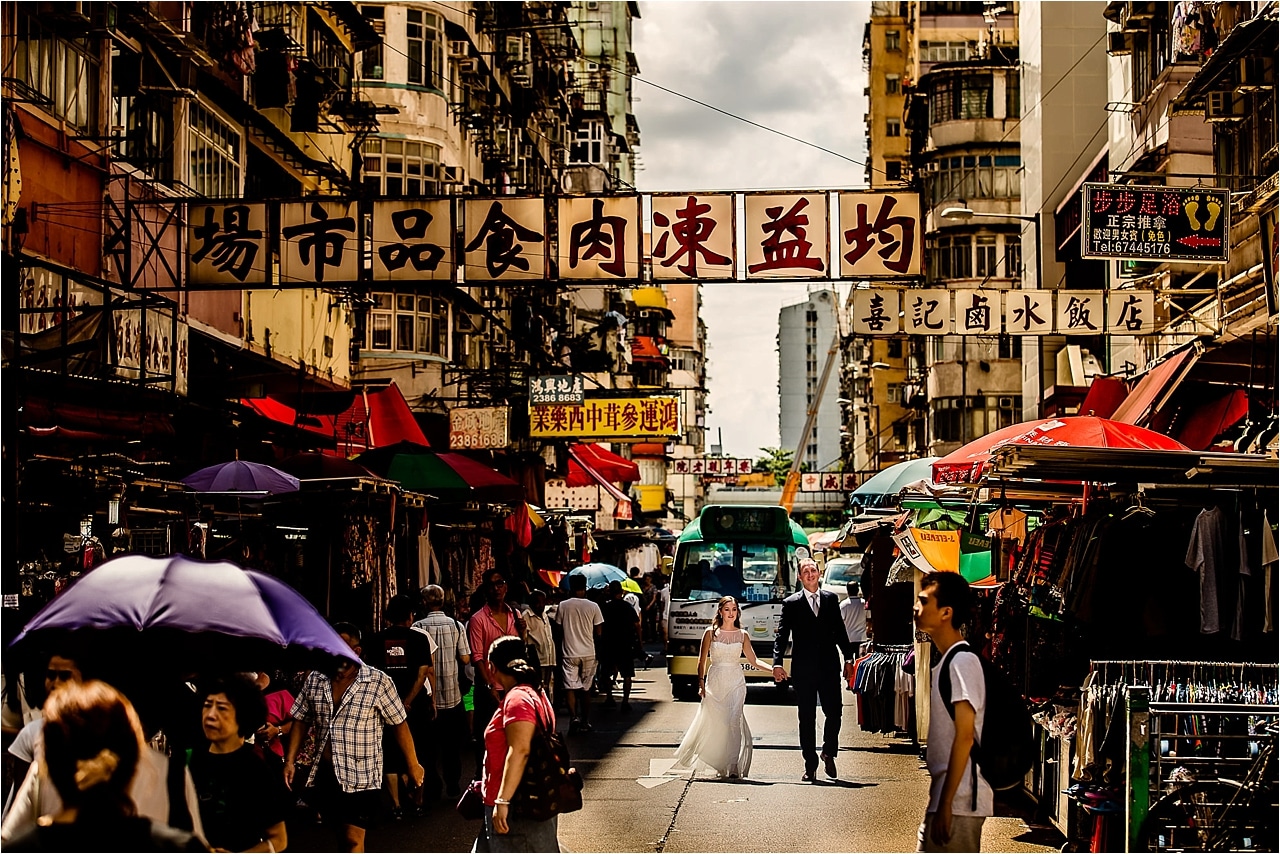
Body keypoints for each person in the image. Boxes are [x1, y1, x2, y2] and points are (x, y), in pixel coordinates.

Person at [1, 657, 205, 845]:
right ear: (131, 761)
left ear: (51, 761)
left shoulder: (23, 845)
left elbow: (7, 835)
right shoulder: (176, 839)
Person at [284, 623, 424, 854]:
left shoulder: (378, 681)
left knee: (353, 840)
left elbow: (399, 723)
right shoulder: (316, 680)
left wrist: (413, 764)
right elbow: (300, 719)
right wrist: (290, 760)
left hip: (362, 776)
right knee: (341, 838)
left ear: (355, 651)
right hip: (327, 775)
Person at [913, 572, 990, 852]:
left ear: (946, 612)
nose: (916, 607)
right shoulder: (950, 660)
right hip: (948, 799)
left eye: (923, 601)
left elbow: (966, 735)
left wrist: (946, 803)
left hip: (960, 802)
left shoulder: (962, 662)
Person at [773, 558, 856, 781]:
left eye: (813, 570)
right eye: (805, 571)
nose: (810, 574)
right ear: (799, 577)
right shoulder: (791, 603)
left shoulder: (830, 599)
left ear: (819, 574)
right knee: (806, 718)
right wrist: (777, 662)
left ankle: (829, 751)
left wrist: (849, 658)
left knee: (835, 713)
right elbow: (782, 635)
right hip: (804, 670)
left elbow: (840, 631)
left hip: (829, 667)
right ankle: (810, 764)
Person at [673, 596, 775, 779]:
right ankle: (720, 762)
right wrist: (701, 684)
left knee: (733, 721)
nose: (731, 613)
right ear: (720, 611)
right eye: (727, 609)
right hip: (715, 682)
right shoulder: (710, 633)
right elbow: (701, 661)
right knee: (718, 723)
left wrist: (773, 670)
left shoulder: (743, 635)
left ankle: (734, 764)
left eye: (734, 609)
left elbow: (754, 660)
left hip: (736, 682)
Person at [478, 636, 561, 853]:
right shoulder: (535, 693)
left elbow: (520, 749)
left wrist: (503, 801)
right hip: (523, 799)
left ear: (492, 666)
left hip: (518, 806)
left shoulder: (518, 699)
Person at [188, 675, 289, 852]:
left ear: (243, 716)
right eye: (207, 705)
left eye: (221, 708)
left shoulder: (255, 771)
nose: (210, 715)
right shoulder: (189, 761)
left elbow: (279, 839)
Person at [369, 596, 437, 818]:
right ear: (410, 615)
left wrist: (392, 703)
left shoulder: (376, 639)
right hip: (415, 706)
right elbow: (422, 673)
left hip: (383, 705)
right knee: (419, 751)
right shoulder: (419, 639)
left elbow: (374, 674)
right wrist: (407, 701)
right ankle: (417, 801)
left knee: (389, 753)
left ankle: (396, 805)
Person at [412, 585, 471, 801]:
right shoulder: (456, 625)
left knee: (428, 746)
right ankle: (453, 783)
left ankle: (432, 786)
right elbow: (465, 658)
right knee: (451, 746)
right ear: (443, 600)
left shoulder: (417, 627)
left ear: (424, 602)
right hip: (452, 695)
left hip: (427, 697)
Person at [468, 571, 527, 770]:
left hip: (513, 687)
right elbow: (477, 656)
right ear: (485, 590)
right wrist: (489, 685)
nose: (496, 588)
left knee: (513, 734)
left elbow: (520, 650)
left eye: (499, 583)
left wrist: (523, 632)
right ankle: (482, 779)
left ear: (506, 587)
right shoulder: (478, 619)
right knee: (488, 736)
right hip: (489, 688)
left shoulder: (515, 615)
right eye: (491, 585)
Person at [554, 575, 603, 733]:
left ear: (571, 587)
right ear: (585, 587)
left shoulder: (563, 605)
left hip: (569, 652)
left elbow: (559, 629)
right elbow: (599, 632)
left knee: (570, 688)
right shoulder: (593, 606)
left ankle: (573, 717)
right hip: (588, 651)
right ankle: (585, 720)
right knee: (586, 689)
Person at [598, 581, 640, 713]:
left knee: (606, 673)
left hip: (609, 644)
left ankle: (610, 697)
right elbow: (637, 624)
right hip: (625, 644)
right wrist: (639, 642)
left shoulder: (605, 607)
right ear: (621, 592)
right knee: (627, 674)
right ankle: (625, 701)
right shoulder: (627, 607)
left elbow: (599, 625)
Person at [519, 590, 556, 703]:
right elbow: (524, 637)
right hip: (538, 658)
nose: (540, 605)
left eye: (543, 602)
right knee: (539, 686)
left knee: (549, 685)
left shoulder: (544, 614)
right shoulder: (526, 616)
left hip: (549, 656)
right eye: (537, 602)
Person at [253, 671, 293, 760]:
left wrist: (277, 730)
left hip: (269, 758)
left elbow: (299, 723)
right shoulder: (225, 687)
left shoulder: (278, 687)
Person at [839, 580, 868, 648]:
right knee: (860, 658)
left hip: (848, 638)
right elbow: (869, 619)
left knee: (849, 658)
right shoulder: (864, 603)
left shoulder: (843, 605)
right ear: (858, 590)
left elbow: (840, 622)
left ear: (847, 591)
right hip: (862, 638)